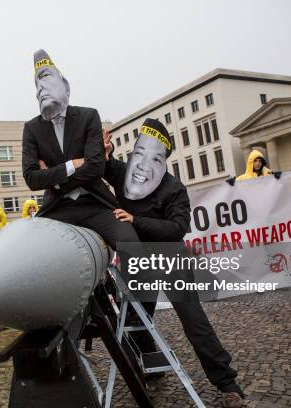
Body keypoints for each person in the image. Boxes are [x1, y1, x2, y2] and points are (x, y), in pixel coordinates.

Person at [103, 119, 244, 408]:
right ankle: (151, 368)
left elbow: (177, 228)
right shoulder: (124, 173)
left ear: (163, 160)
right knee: (134, 319)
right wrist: (104, 149)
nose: (142, 165)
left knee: (194, 321)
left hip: (171, 260)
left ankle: (227, 384)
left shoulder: (174, 188)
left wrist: (136, 220)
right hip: (137, 263)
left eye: (153, 157)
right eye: (139, 154)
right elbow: (102, 165)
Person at [23, 49, 139, 251]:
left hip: (95, 204)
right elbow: (32, 179)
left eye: (45, 77)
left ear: (65, 85)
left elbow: (95, 167)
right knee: (29, 252)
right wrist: (71, 165)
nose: (40, 88)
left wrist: (55, 179)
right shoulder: (32, 128)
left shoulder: (88, 116)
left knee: (132, 246)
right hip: (57, 209)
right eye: (36, 84)